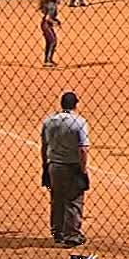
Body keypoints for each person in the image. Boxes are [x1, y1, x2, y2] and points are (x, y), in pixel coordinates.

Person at [41, 92, 91, 247]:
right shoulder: (79, 122)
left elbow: (44, 146)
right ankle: (72, 235)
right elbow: (83, 149)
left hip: (54, 165)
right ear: (76, 104)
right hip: (72, 166)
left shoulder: (49, 121)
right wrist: (83, 170)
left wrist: (45, 166)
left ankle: (58, 233)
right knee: (74, 200)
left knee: (57, 199)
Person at [40, 0, 63, 67]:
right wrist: (54, 22)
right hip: (46, 25)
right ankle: (48, 61)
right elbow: (48, 18)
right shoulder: (52, 6)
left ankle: (47, 60)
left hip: (45, 25)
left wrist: (57, 20)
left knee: (49, 42)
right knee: (53, 41)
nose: (61, 1)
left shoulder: (51, 4)